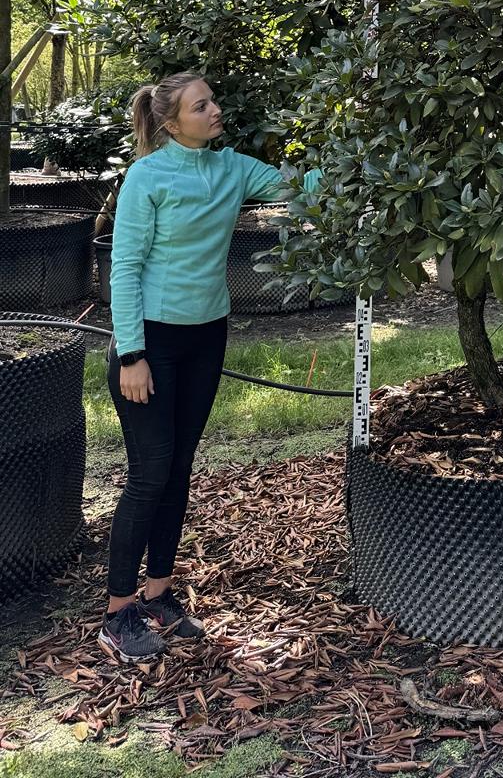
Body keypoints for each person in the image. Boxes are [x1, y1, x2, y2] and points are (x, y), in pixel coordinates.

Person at [99, 71, 319, 663]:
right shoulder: (147, 176)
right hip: (151, 344)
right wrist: (133, 355)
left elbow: (308, 187)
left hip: (206, 338)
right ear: (171, 122)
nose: (217, 110)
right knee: (149, 474)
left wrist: (358, 162)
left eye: (213, 100)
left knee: (180, 469)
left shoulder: (233, 168)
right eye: (204, 105)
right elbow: (124, 269)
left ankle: (159, 594)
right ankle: (118, 613)